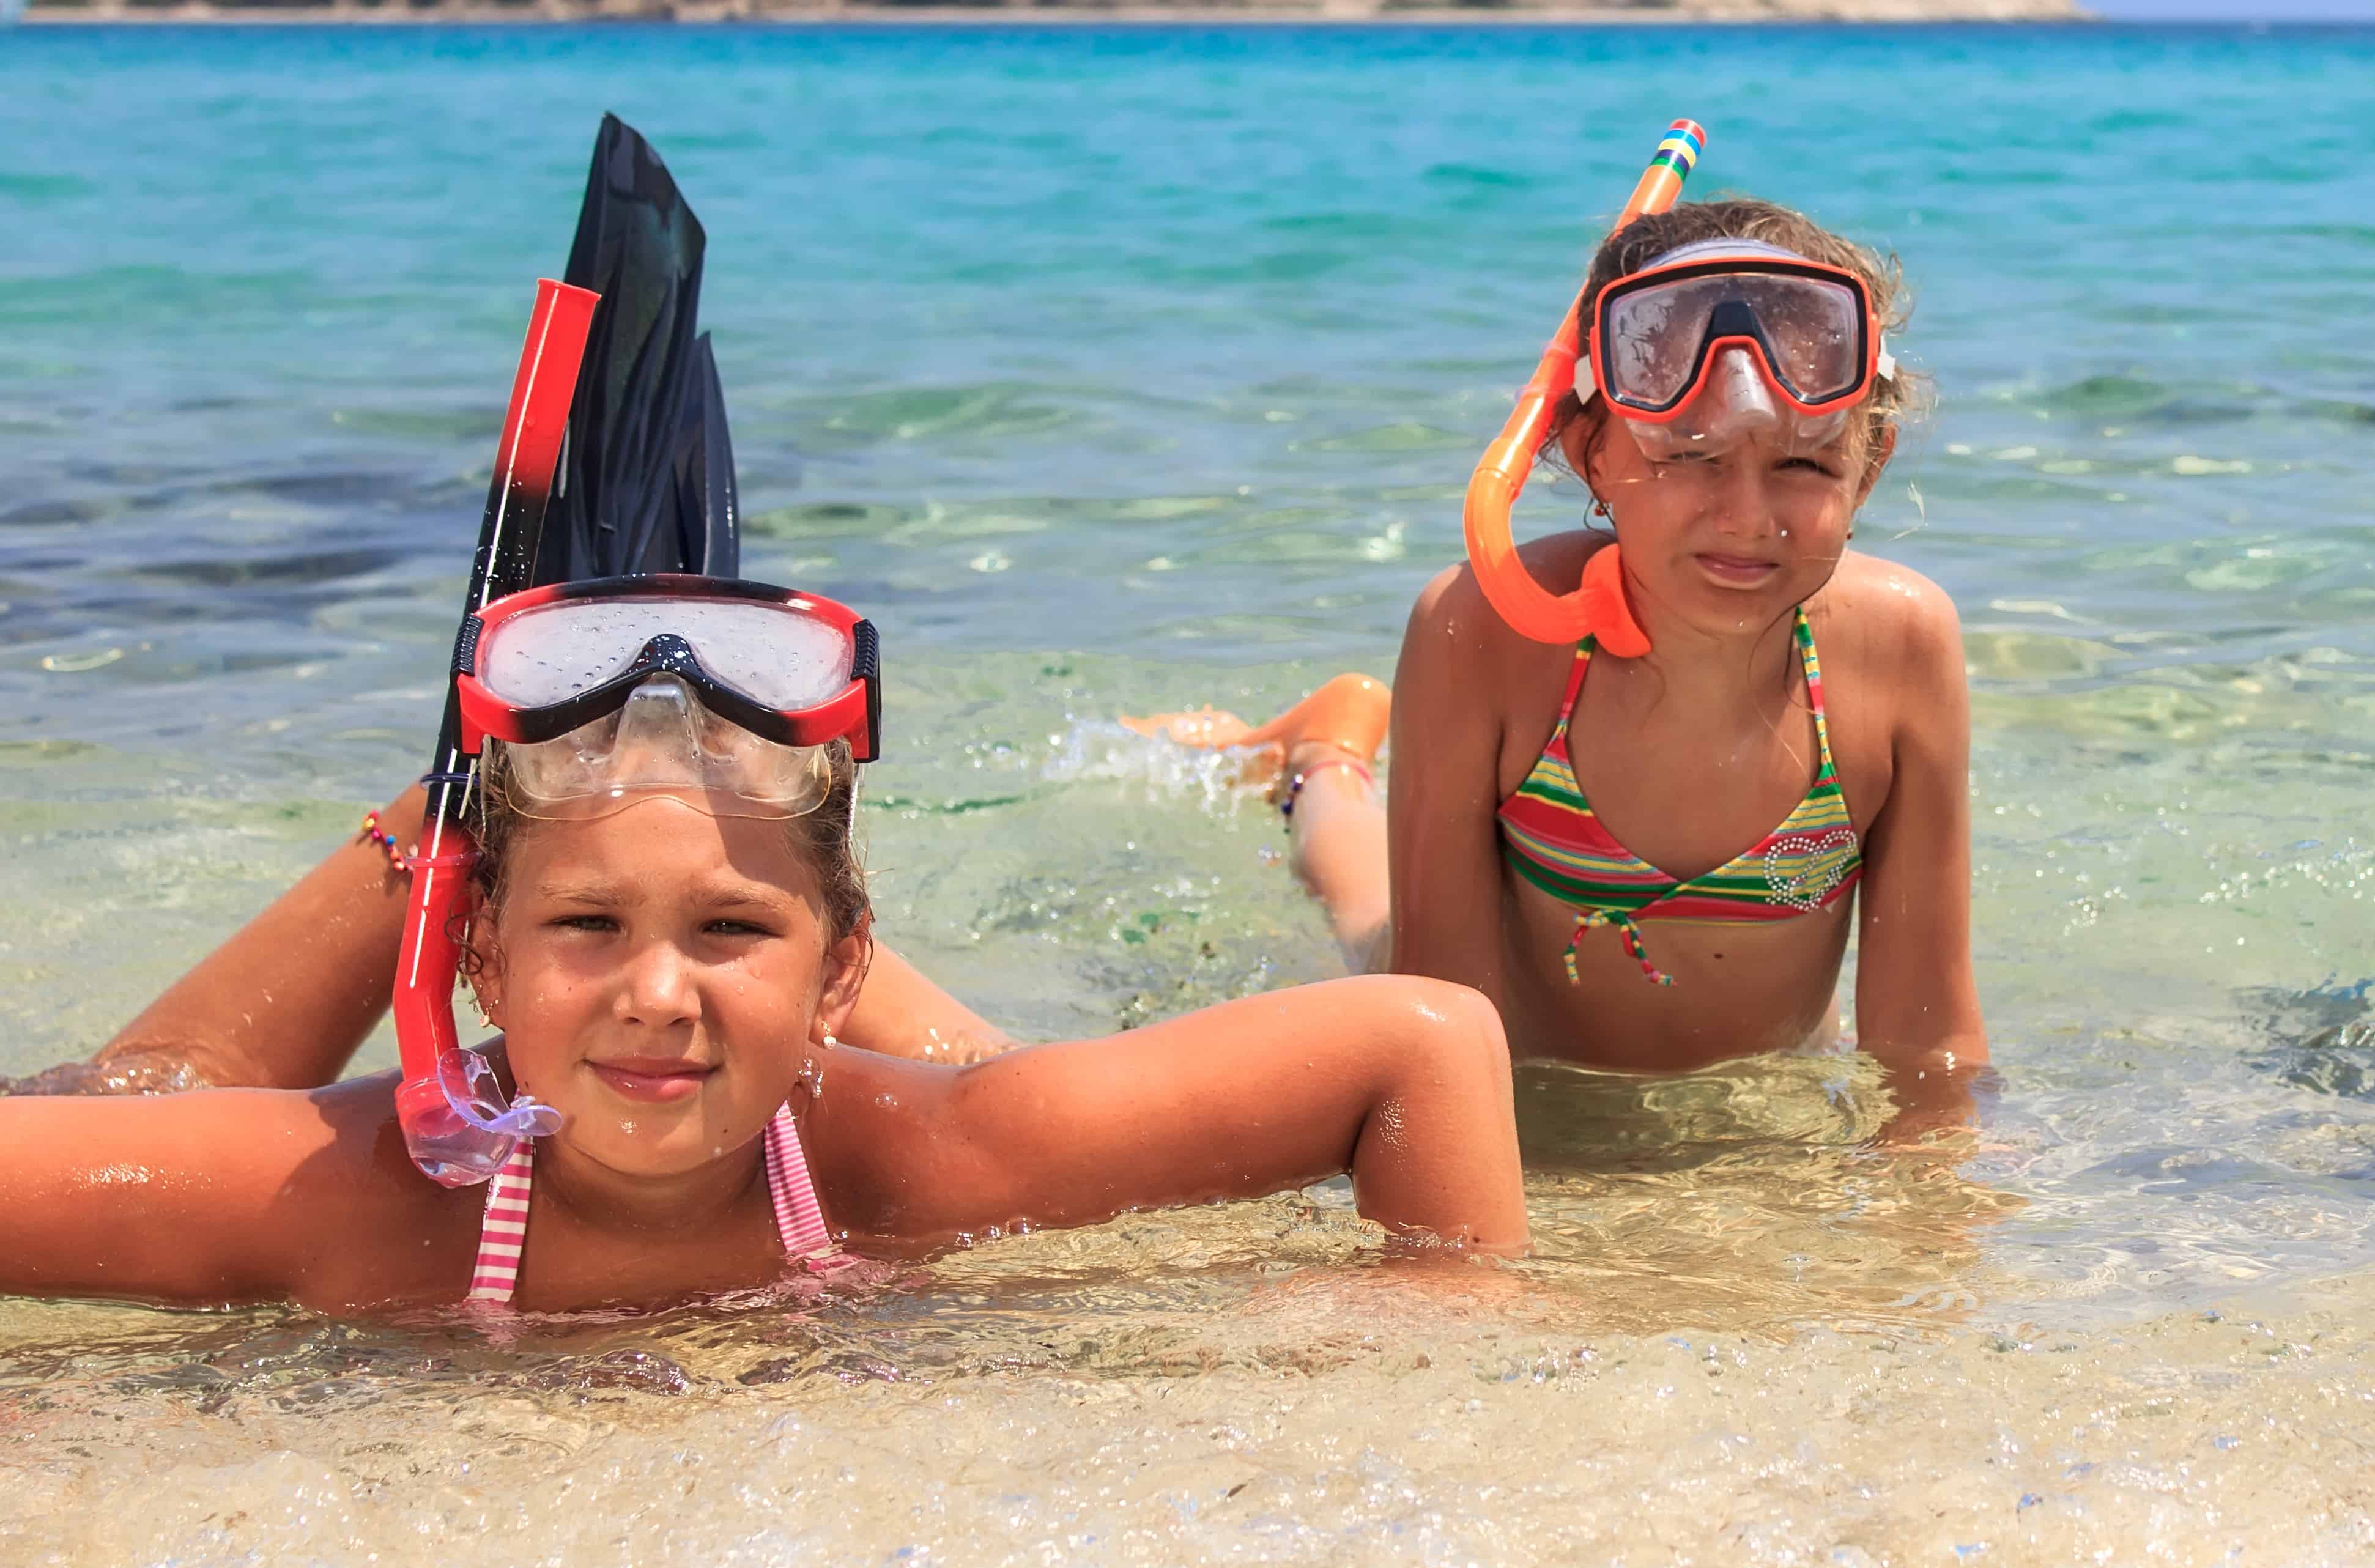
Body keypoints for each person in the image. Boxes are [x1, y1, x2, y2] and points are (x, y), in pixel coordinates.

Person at [0, 577, 1525, 1313]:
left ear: (845, 976)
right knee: (124, 1098)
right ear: (476, 961)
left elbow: (1425, 1041)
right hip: (479, 935)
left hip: (839, 1083)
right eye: (587, 929)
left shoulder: (930, 1160)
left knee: (997, 1069)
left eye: (727, 931)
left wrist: (1432, 1360)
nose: (655, 996)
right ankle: (439, 823)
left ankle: (1321, 758)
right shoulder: (341, 1197)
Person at [1137, 199, 1987, 1114]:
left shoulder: (1902, 647)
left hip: (1745, 1077)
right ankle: (1327, 760)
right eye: (1691, 456)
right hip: (1487, 1026)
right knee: (1358, 905)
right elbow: (1437, 1036)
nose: (1748, 517)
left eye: (1804, 466)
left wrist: (1928, 1237)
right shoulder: (1493, 629)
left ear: (1869, 467)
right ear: (1590, 450)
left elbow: (1926, 1044)